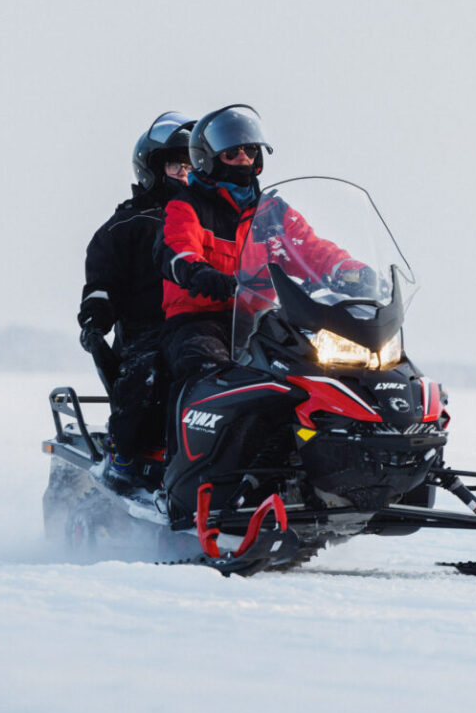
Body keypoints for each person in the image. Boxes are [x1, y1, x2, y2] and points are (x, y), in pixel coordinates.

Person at [156, 103, 367, 387]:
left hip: (259, 320)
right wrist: (199, 273)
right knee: (208, 369)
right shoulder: (187, 207)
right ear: (209, 158)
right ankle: (186, 429)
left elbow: (312, 249)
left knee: (314, 368)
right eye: (232, 152)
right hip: (200, 321)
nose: (243, 156)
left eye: (250, 150)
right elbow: (177, 248)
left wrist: (351, 271)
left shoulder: (273, 212)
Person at [78, 111, 195, 490]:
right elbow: (101, 283)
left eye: (195, 166)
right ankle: (122, 453)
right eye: (179, 166)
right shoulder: (126, 226)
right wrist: (95, 320)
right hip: (150, 331)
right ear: (153, 169)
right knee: (149, 374)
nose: (188, 175)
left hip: (218, 324)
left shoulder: (214, 219)